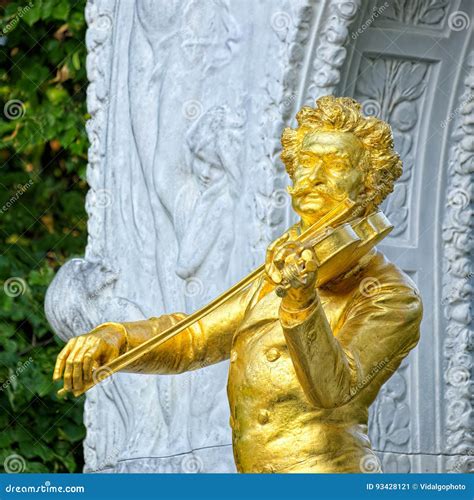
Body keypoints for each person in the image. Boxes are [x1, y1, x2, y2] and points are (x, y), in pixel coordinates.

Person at [53, 96, 422, 473]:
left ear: (370, 185)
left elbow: (335, 390)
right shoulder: (284, 266)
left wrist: (301, 302)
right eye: (307, 163)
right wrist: (115, 338)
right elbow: (193, 338)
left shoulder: (391, 295)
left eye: (337, 165)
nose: (314, 178)